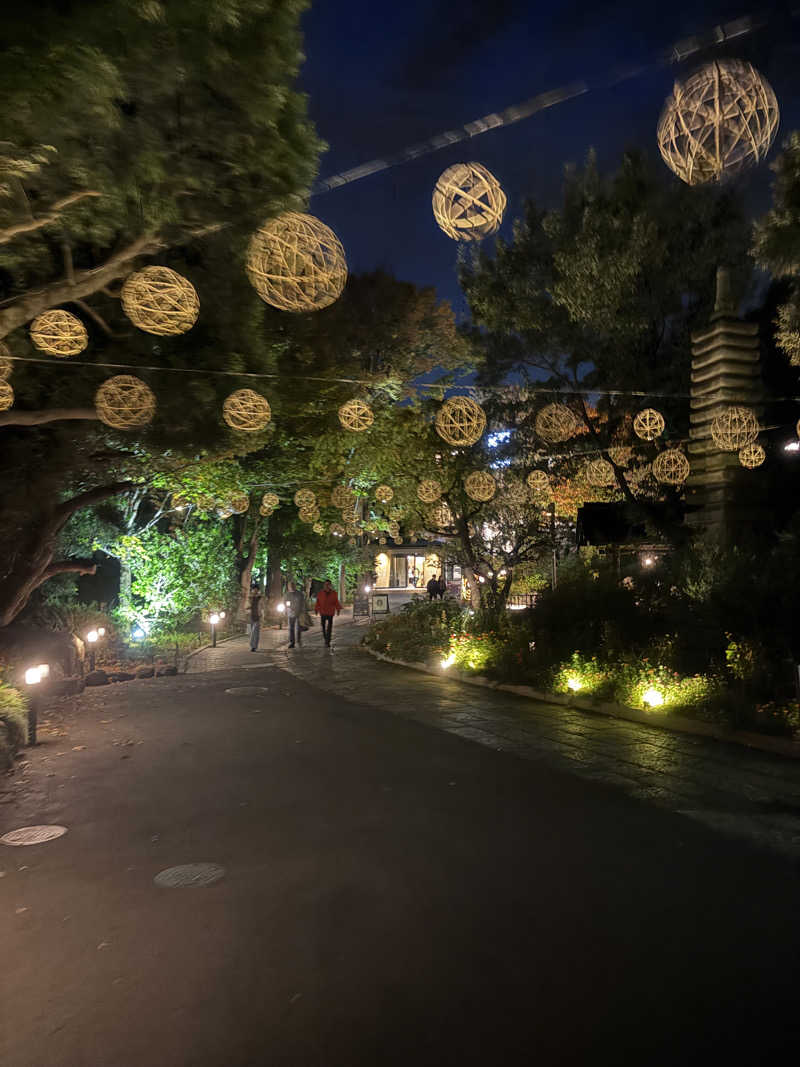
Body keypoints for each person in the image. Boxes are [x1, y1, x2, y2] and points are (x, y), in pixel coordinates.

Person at [314, 578, 341, 647]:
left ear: (330, 585)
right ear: (324, 585)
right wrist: (316, 610)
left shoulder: (334, 593)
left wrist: (338, 609)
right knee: (323, 627)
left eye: (328, 584)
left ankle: (327, 641)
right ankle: (326, 638)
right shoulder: (320, 593)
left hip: (330, 612)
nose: (327, 586)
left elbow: (336, 602)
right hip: (323, 612)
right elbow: (318, 602)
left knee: (329, 627)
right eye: (326, 584)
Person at [286, 580, 306, 649]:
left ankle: (298, 640)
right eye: (290, 586)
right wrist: (288, 608)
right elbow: (286, 603)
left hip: (298, 612)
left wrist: (302, 610)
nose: (291, 587)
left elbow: (302, 602)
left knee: (298, 627)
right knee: (291, 628)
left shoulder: (299, 594)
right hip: (291, 613)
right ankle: (292, 642)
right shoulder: (287, 594)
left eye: (292, 585)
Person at [249, 583, 262, 651]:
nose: (255, 591)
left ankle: (253, 646)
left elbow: (262, 606)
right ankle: (253, 645)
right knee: (251, 632)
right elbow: (247, 606)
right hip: (251, 616)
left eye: (256, 589)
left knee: (255, 631)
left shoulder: (260, 597)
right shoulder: (250, 597)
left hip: (258, 616)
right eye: (254, 589)